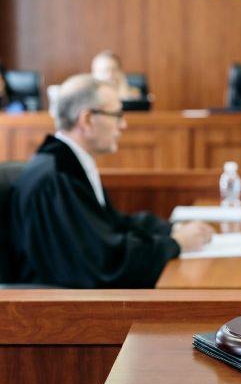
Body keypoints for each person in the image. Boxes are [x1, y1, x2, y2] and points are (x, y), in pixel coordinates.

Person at [10, 74, 213, 287]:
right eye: (116, 115)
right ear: (87, 120)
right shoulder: (57, 177)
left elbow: (111, 224)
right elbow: (105, 261)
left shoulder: (67, 163)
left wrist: (168, 230)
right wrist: (176, 243)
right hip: (54, 301)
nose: (123, 124)